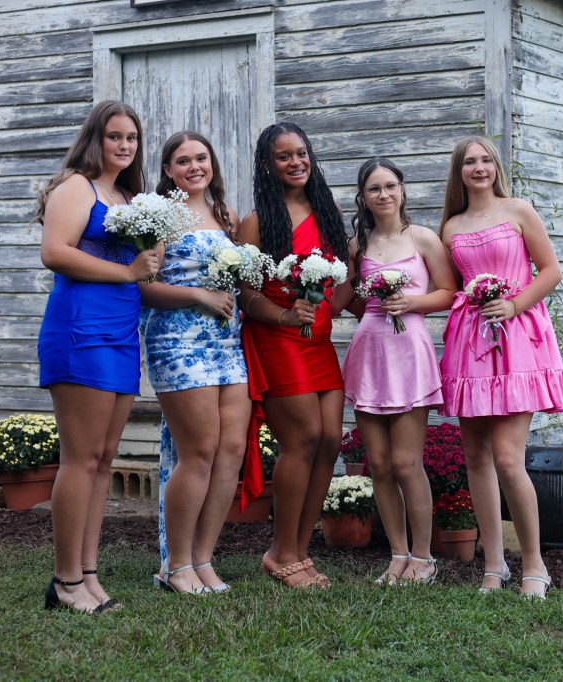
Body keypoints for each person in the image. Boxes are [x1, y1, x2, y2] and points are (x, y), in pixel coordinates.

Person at [438, 136, 563, 598]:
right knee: (476, 457)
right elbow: (447, 286)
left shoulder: (518, 210)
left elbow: (551, 270)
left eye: (485, 160)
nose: (479, 168)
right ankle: (494, 565)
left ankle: (534, 563)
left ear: (495, 166)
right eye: (469, 162)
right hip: (470, 341)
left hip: (518, 339)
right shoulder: (450, 226)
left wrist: (514, 304)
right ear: (459, 171)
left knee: (507, 459)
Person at [36, 100, 160, 613]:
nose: (125, 145)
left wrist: (150, 258)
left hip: (121, 332)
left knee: (104, 459)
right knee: (81, 458)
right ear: (96, 139)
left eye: (132, 137)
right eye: (115, 136)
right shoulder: (76, 187)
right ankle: (65, 581)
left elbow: (140, 269)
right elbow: (55, 252)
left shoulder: (128, 196)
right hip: (80, 327)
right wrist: (128, 271)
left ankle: (87, 574)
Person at [238, 122, 349, 588]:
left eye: (301, 153)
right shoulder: (257, 221)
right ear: (268, 165)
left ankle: (301, 552)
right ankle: (280, 552)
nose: (295, 162)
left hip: (318, 340)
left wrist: (341, 302)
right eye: (284, 156)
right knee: (302, 439)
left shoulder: (328, 211)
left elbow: (342, 281)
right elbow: (245, 293)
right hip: (278, 338)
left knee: (330, 441)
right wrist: (285, 316)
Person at [140, 131, 250, 595]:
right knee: (199, 451)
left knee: (231, 452)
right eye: (182, 161)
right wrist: (199, 296)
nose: (194, 167)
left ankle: (203, 559)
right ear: (168, 170)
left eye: (201, 158)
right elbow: (143, 287)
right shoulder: (160, 219)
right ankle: (176, 565)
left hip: (228, 343)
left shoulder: (227, 216)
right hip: (178, 343)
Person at [336, 157, 455, 585]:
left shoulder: (423, 238)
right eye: (374, 188)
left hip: (409, 353)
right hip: (370, 351)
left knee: (406, 462)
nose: (383, 194)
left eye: (390, 186)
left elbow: (448, 292)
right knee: (380, 464)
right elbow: (346, 297)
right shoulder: (357, 245)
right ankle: (397, 555)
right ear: (363, 198)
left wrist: (411, 303)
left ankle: (424, 558)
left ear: (402, 189)